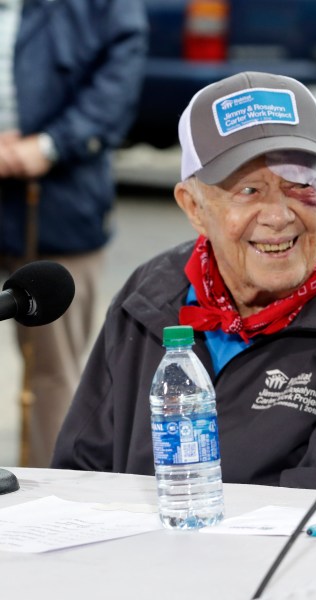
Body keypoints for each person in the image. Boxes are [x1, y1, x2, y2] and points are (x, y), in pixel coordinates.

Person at [51, 72, 316, 495]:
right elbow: (81, 476)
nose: (278, 215)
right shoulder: (150, 297)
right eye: (249, 189)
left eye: (300, 184)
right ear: (194, 207)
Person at [0, 0, 148, 467]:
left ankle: (47, 501)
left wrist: (48, 145)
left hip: (58, 203)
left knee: (52, 372)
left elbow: (115, 87)